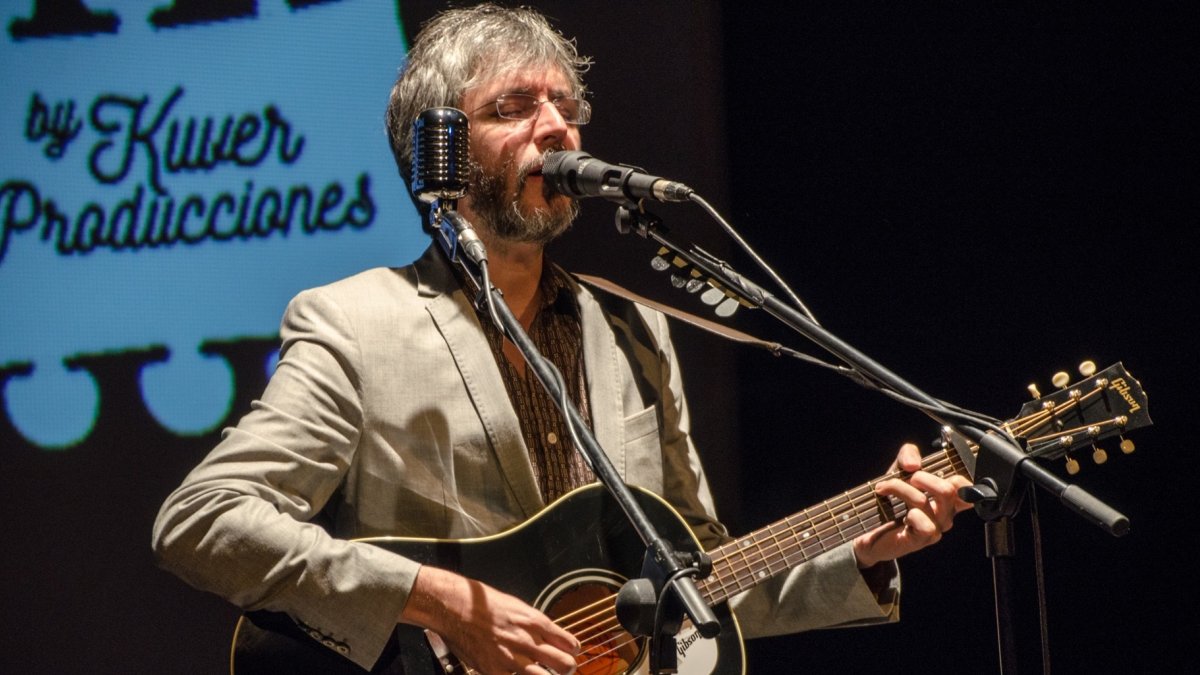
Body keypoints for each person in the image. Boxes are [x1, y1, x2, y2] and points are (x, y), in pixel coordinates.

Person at [152, 4, 971, 674]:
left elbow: (692, 577)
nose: (558, 129)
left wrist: (862, 551)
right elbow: (203, 517)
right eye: (514, 108)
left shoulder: (636, 333)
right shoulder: (355, 323)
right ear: (440, 153)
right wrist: (440, 599)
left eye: (566, 108)